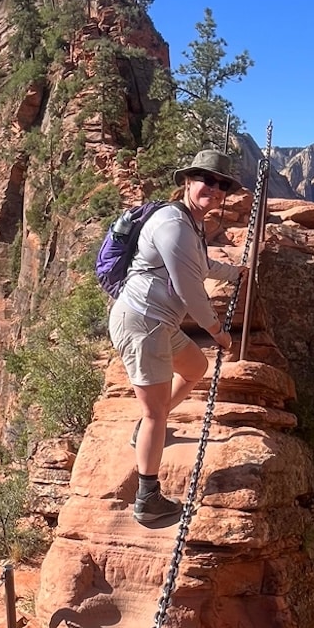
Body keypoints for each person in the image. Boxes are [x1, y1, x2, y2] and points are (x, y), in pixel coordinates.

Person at [109, 148, 246, 525]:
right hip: (144, 322)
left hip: (158, 323)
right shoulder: (174, 224)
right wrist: (218, 332)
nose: (215, 190)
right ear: (188, 181)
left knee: (195, 367)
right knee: (154, 413)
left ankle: (147, 432)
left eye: (222, 185)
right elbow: (190, 289)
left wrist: (237, 273)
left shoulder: (189, 222)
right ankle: (147, 499)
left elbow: (198, 266)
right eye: (208, 180)